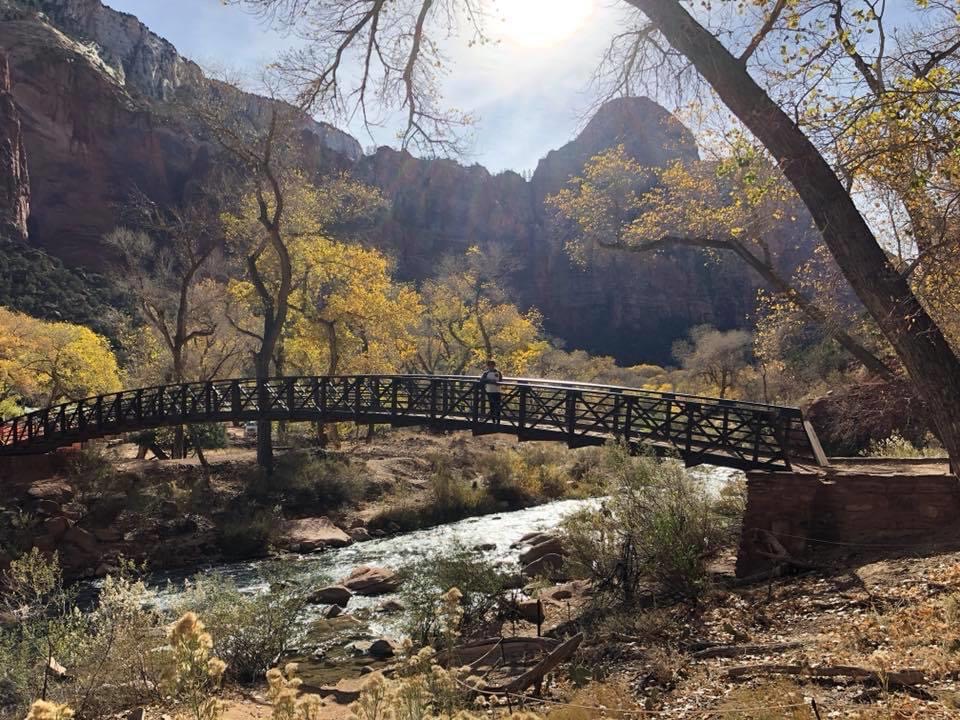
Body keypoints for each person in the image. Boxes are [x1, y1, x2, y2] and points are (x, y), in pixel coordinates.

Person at [480, 359, 503, 424]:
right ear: (488, 366)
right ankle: (493, 420)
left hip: (497, 391)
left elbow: (501, 381)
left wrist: (497, 383)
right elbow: (481, 380)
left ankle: (498, 421)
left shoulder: (498, 373)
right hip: (490, 392)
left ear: (494, 365)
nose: (491, 367)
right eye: (489, 365)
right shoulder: (486, 373)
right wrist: (490, 381)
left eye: (492, 365)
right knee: (492, 406)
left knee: (498, 406)